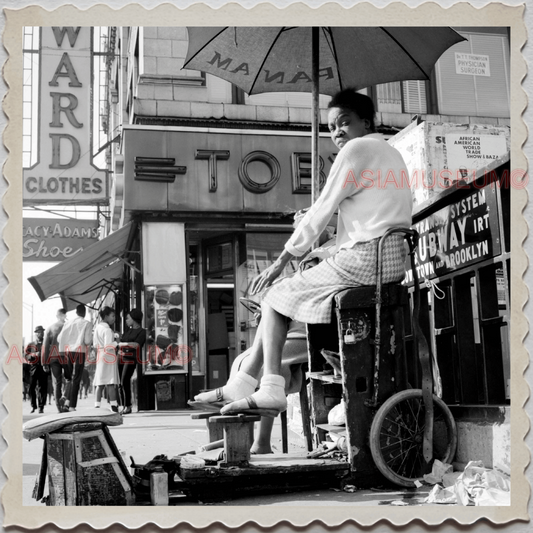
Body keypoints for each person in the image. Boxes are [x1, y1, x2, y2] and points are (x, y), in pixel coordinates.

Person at [198, 89, 413, 417]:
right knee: (281, 297)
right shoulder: (391, 152)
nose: (337, 132)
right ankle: (242, 383)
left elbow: (321, 210)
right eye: (330, 128)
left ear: (365, 123)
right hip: (390, 259)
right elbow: (367, 219)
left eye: (344, 123)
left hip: (368, 259)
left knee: (274, 294)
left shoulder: (357, 148)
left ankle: (269, 388)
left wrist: (282, 260)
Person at [57, 304, 93, 412]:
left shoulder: (68, 323)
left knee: (70, 378)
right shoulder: (87, 323)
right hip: (79, 352)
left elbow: (59, 338)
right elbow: (87, 341)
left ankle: (66, 401)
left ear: (76, 312)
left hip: (67, 351)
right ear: (84, 313)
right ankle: (72, 406)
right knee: (76, 378)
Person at [117, 308, 146, 415]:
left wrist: (123, 345)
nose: (126, 320)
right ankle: (124, 405)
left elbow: (137, 345)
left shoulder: (142, 331)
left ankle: (127, 406)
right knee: (120, 381)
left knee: (124, 380)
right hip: (121, 358)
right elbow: (122, 343)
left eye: (128, 318)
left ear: (134, 319)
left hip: (131, 359)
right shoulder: (127, 331)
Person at [93, 306, 120, 412]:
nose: (114, 318)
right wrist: (116, 342)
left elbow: (95, 345)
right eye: (112, 316)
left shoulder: (97, 329)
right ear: (106, 316)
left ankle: (97, 406)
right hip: (108, 356)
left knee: (99, 382)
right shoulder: (107, 330)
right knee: (110, 382)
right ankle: (114, 406)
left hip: (100, 355)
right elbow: (108, 346)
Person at [42, 308, 68, 413]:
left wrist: (44, 362)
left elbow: (45, 346)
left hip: (53, 358)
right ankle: (65, 399)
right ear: (64, 316)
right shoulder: (69, 326)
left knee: (57, 383)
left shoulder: (50, 328)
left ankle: (59, 407)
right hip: (66, 357)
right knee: (69, 380)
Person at [25, 325, 47, 414]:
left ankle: (41, 407)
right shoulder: (31, 344)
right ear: (36, 333)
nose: (41, 333)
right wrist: (33, 355)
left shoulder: (46, 343)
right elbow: (26, 356)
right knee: (31, 388)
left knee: (43, 388)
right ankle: (33, 406)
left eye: (42, 332)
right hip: (33, 368)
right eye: (39, 332)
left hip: (43, 368)